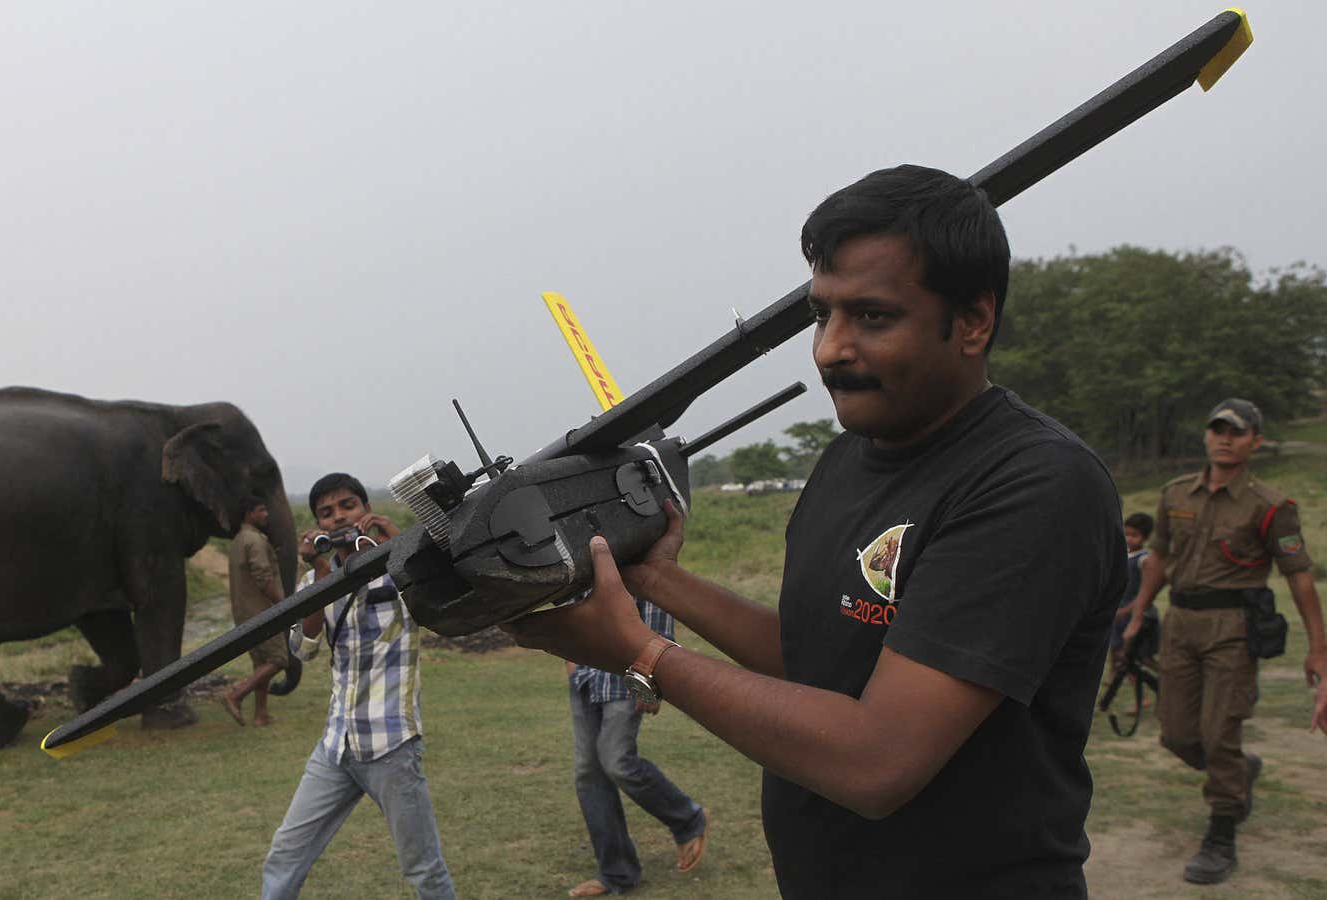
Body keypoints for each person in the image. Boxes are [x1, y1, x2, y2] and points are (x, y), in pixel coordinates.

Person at [504, 165, 1127, 897]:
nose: (830, 349)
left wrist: (641, 652)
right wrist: (653, 579)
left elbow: (877, 763)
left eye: (871, 317)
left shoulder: (1033, 484)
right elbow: (818, 659)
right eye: (821, 315)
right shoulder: (845, 461)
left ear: (973, 322)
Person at [1121, 398, 1327, 884]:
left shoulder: (1270, 506)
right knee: (1176, 734)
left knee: (1219, 734)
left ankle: (1221, 832)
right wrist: (1136, 615)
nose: (1224, 438)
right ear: (1207, 436)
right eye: (1217, 430)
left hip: (1233, 629)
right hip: (1180, 625)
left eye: (1236, 431)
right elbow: (1160, 560)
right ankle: (1237, 771)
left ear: (1255, 440)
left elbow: (1298, 577)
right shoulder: (1176, 495)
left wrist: (1318, 648)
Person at [260, 473, 455, 900]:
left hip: (391, 745)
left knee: (423, 868)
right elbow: (304, 649)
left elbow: (440, 603)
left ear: (366, 510)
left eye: (347, 506)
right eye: (325, 513)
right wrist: (320, 569)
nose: (338, 517)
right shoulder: (318, 581)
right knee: (285, 853)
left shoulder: (399, 568)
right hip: (335, 746)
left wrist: (401, 543)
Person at [564, 595, 709, 898]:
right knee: (588, 776)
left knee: (617, 760)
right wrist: (572, 663)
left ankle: (688, 819)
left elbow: (657, 611)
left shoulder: (631, 547)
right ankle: (618, 873)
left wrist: (653, 681)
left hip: (625, 676)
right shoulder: (577, 547)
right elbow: (570, 602)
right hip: (585, 677)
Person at [223, 495, 289, 726]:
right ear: (249, 513)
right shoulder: (255, 541)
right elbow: (263, 578)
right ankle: (236, 694)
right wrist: (283, 603)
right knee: (280, 659)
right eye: (261, 510)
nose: (266, 515)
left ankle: (261, 715)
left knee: (262, 663)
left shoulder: (238, 540)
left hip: (244, 613)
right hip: (261, 612)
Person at [1108, 512, 1157, 674]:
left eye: (1134, 535)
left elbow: (1146, 591)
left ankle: (1165, 682)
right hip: (1119, 613)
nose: (1129, 538)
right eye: (1126, 533)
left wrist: (1126, 611)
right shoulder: (1122, 554)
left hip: (1136, 613)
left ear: (1145, 537)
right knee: (1117, 653)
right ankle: (1114, 683)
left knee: (1142, 657)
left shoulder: (1144, 560)